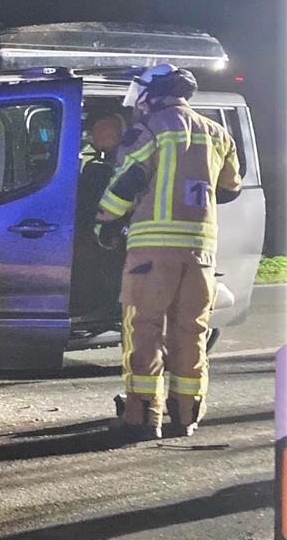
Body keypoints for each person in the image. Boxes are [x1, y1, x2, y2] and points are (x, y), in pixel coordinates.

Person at [95, 64, 242, 441]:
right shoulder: (218, 133)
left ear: (154, 93)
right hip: (201, 253)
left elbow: (127, 182)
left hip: (151, 252)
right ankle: (186, 415)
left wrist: (104, 221)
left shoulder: (149, 130)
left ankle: (142, 417)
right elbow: (231, 188)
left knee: (143, 330)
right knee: (190, 332)